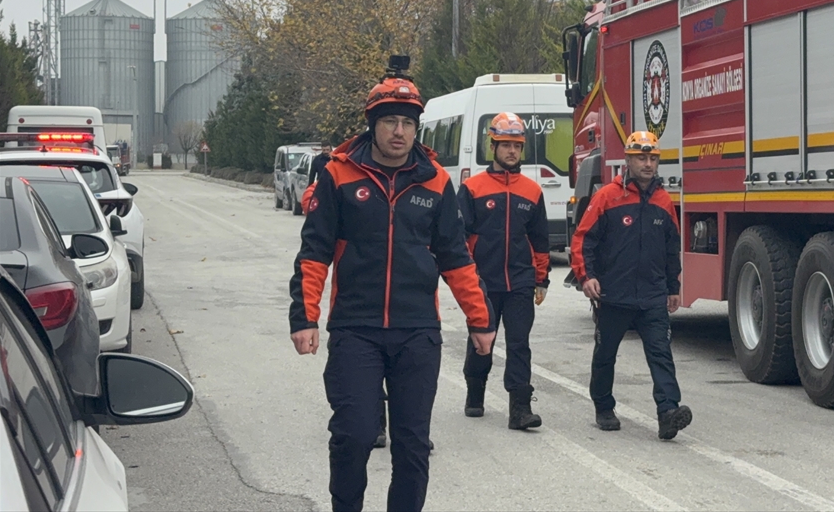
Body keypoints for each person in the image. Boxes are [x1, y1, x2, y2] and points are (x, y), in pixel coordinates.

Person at [288, 58, 497, 512]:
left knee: (412, 444)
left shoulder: (436, 181)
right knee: (354, 434)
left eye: (407, 122)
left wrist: (481, 320)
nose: (399, 131)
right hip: (355, 329)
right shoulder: (338, 175)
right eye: (389, 122)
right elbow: (314, 252)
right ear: (373, 125)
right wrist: (305, 317)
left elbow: (456, 257)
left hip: (417, 331)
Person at [570, 131, 692, 440]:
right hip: (614, 293)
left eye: (652, 158)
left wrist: (673, 287)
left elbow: (670, 249)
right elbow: (584, 239)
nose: (648, 164)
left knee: (660, 354)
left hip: (652, 295)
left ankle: (668, 413)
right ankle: (603, 406)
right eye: (641, 158)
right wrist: (587, 277)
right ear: (627, 160)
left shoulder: (664, 201)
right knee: (606, 353)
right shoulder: (607, 197)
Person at [457, 112, 551, 430]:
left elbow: (540, 241)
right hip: (483, 282)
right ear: (493, 145)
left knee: (519, 343)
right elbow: (460, 239)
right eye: (506, 145)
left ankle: (520, 408)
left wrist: (542, 279)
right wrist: (467, 278)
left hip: (521, 282)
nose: (512, 151)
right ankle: (475, 389)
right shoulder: (472, 189)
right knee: (481, 342)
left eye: (517, 145)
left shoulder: (532, 191)